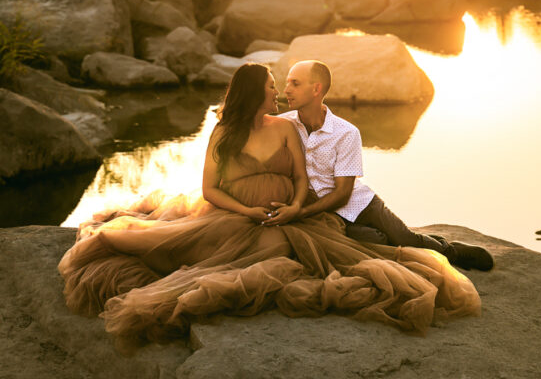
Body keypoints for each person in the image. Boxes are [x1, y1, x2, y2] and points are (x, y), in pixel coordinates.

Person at [58, 63, 481, 349]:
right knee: (348, 249)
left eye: (289, 85)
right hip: (271, 216)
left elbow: (325, 186)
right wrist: (253, 210)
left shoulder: (329, 131)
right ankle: (404, 243)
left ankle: (448, 249)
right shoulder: (254, 128)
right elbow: (213, 186)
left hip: (336, 205)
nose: (281, 90)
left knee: (393, 240)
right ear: (256, 94)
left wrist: (298, 207)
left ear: (314, 89)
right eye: (275, 86)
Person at [280, 59, 494, 272]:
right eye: (287, 83)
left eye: (295, 84)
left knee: (403, 238)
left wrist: (301, 212)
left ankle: (450, 251)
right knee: (380, 242)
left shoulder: (346, 132)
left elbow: (344, 194)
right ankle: (418, 241)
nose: (286, 90)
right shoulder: (284, 125)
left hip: (359, 203)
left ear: (316, 89)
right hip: (325, 217)